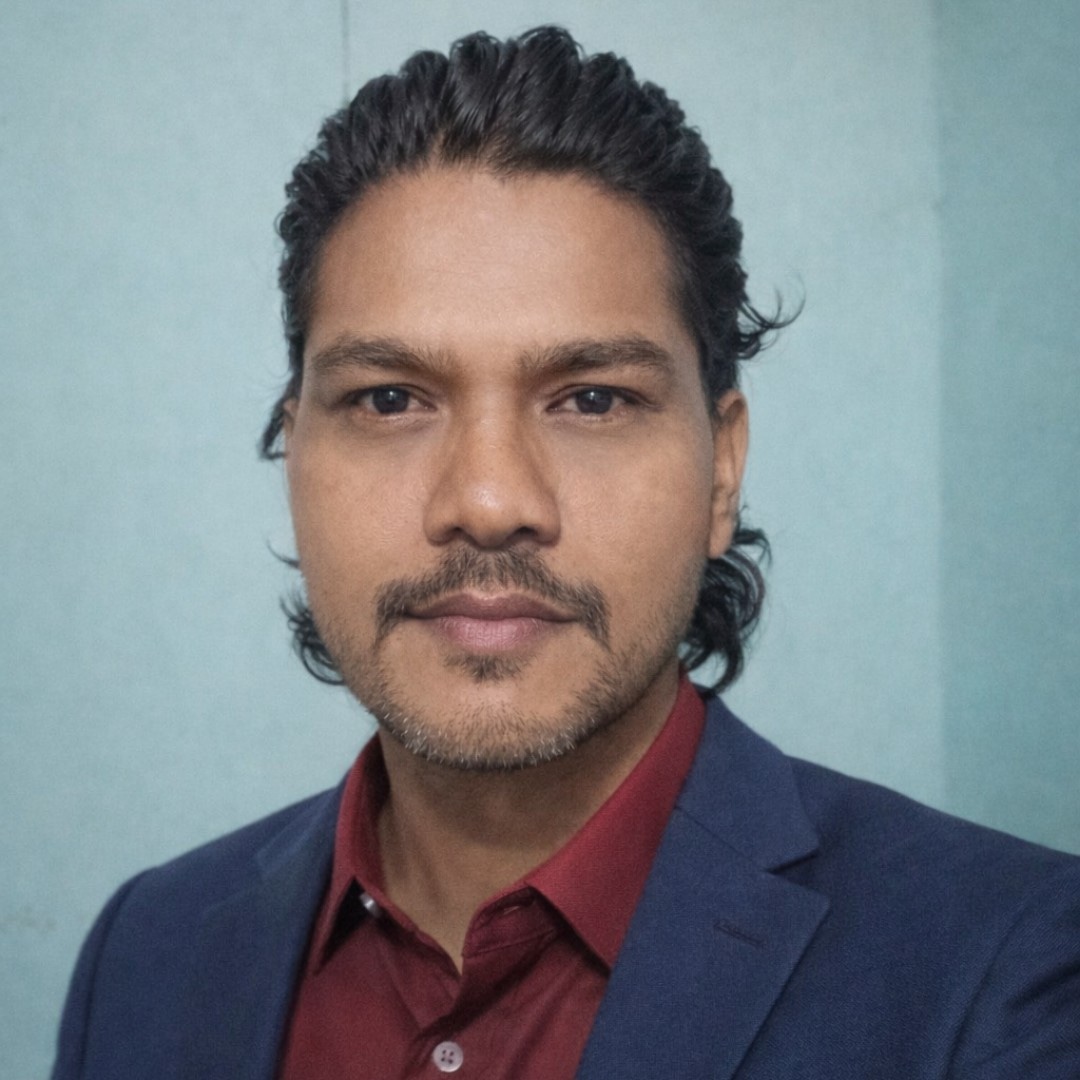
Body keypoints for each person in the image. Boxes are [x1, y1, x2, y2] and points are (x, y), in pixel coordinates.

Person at [52, 25, 1080, 1080]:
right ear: (294, 453)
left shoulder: (1013, 976)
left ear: (721, 471)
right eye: (390, 399)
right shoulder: (145, 954)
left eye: (592, 399)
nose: (490, 501)